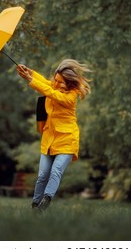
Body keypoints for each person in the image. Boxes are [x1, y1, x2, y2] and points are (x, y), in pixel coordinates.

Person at [16, 59, 91, 211]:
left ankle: (46, 200)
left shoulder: (71, 96)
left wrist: (30, 80)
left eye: (59, 81)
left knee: (56, 171)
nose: (55, 83)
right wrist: (29, 72)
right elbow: (44, 82)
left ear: (68, 83)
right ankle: (35, 206)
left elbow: (49, 92)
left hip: (67, 140)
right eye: (55, 80)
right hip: (49, 138)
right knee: (42, 175)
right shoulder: (55, 85)